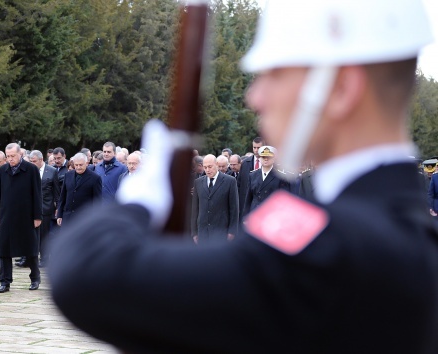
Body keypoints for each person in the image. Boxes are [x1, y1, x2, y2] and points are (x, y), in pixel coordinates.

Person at [48, 0, 438, 352]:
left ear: (339, 88)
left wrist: (139, 203)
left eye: (274, 74)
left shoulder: (332, 249)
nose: (256, 97)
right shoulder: (406, 235)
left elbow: (85, 276)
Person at [0, 143, 42, 293]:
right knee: (4, 250)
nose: (10, 159)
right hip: (7, 215)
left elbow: (37, 194)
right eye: (8, 156)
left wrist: (37, 216)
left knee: (30, 249)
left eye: (13, 156)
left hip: (26, 215)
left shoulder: (31, 169)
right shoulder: (3, 170)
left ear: (20, 154)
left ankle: (35, 278)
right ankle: (5, 281)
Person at [191, 154, 239, 244]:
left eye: (210, 167)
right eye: (205, 167)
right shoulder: (198, 182)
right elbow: (195, 209)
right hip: (203, 232)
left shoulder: (230, 181)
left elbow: (234, 208)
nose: (208, 170)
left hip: (221, 232)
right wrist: (194, 232)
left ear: (216, 164)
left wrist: (232, 231)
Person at [29, 150, 60, 267]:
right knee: (31, 234)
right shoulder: (29, 171)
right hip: (30, 207)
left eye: (34, 161)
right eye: (30, 161)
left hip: (45, 208)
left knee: (44, 234)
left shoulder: (52, 171)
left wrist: (57, 206)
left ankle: (44, 258)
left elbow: (56, 191)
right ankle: (29, 257)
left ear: (41, 160)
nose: (32, 163)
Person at [242, 146, 290, 216]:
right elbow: (248, 198)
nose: (266, 159)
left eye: (269, 157)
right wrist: (246, 216)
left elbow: (284, 200)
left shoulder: (281, 177)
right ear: (259, 159)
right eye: (263, 157)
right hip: (255, 212)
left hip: (272, 214)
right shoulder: (252, 175)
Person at [56, 153, 102, 227]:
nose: (78, 167)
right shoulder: (68, 175)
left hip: (85, 220)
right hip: (68, 218)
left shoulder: (95, 178)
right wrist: (59, 215)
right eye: (76, 165)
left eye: (81, 165)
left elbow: (97, 201)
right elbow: (63, 196)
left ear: (86, 163)